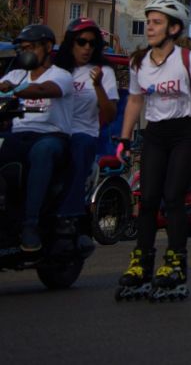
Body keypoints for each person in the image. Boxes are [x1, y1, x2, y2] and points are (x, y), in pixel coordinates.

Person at [115, 0, 191, 300]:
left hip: (186, 132)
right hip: (155, 133)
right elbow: (135, 101)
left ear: (174, 28)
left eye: (156, 22)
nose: (150, 27)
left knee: (173, 198)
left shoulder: (189, 60)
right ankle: (141, 263)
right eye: (148, 22)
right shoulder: (139, 62)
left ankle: (175, 263)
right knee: (147, 199)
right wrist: (124, 139)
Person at [0, 24, 74, 253]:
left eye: (31, 48)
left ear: (48, 47)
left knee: (43, 152)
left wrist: (12, 90)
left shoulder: (61, 75)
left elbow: (44, 90)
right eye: (23, 49)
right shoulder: (15, 74)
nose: (26, 53)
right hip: (17, 136)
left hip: (51, 136)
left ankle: (31, 224)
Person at [52, 17, 118, 248]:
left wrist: (98, 85)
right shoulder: (57, 70)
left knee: (80, 146)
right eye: (82, 42)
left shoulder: (103, 72)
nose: (87, 47)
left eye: (92, 43)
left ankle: (68, 215)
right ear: (71, 43)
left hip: (83, 133)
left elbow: (110, 114)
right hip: (54, 133)